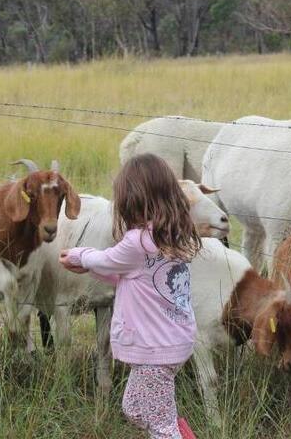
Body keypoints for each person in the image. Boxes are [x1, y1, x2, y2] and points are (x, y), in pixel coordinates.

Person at [59, 153, 201, 439]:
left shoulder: (138, 242)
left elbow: (108, 260)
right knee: (134, 407)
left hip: (156, 350)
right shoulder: (172, 235)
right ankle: (177, 432)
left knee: (159, 424)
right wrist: (91, 269)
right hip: (172, 341)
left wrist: (79, 255)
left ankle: (172, 433)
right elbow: (138, 278)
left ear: (132, 200)